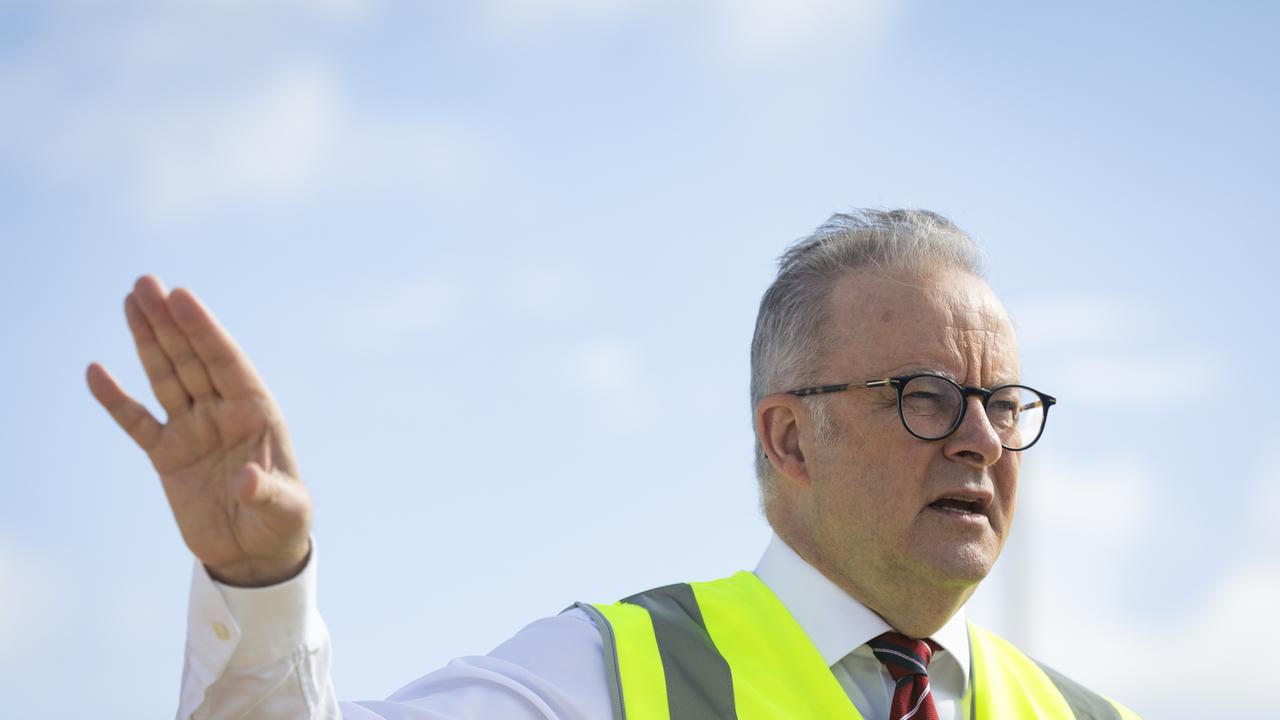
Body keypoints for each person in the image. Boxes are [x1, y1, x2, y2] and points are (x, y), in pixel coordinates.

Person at [88, 209, 1140, 719]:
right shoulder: (606, 676)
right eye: (924, 398)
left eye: (1001, 403)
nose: (977, 438)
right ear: (786, 439)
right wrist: (260, 585)